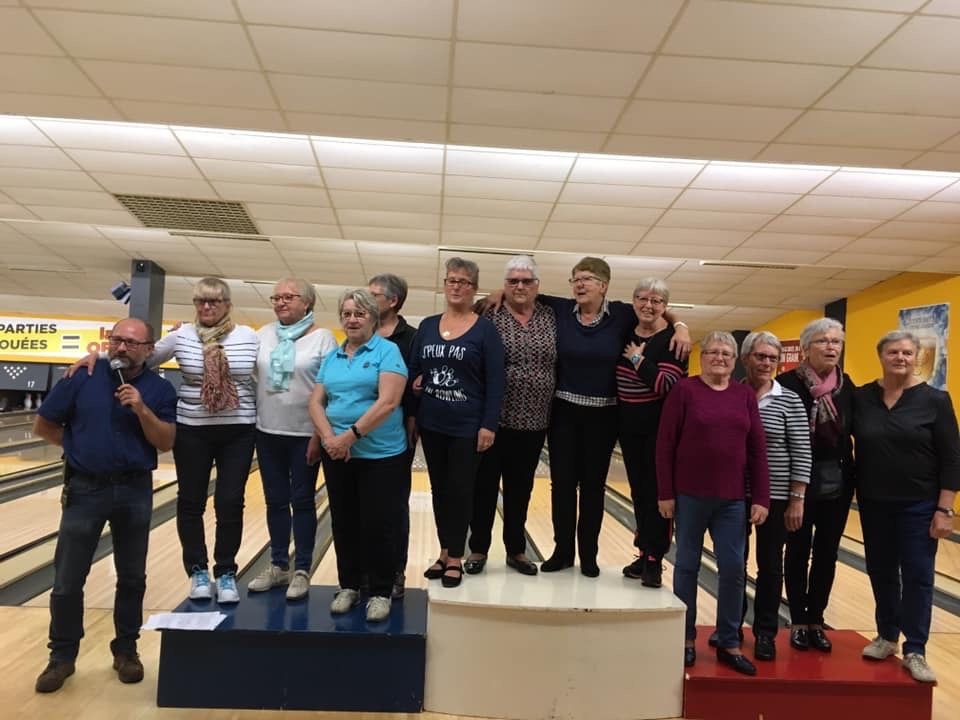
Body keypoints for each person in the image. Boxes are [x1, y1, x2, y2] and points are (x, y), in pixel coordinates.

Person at [70, 278, 259, 604]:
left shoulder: (249, 338)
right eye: (201, 301)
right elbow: (138, 358)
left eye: (214, 301)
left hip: (238, 430)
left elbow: (269, 374)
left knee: (230, 501)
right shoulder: (182, 336)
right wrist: (97, 358)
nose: (207, 307)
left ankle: (226, 571)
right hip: (191, 429)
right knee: (190, 502)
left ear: (228, 304)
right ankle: (198, 570)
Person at [33, 319, 177, 693]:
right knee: (67, 581)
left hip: (134, 491)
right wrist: (77, 447)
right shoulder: (81, 377)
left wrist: (141, 409)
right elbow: (43, 425)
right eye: (116, 340)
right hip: (85, 490)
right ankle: (61, 657)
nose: (121, 347)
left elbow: (165, 442)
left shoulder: (159, 389)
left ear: (148, 349)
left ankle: (126, 651)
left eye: (131, 342)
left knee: (132, 578)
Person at [529, 258, 690, 577]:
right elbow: (522, 293)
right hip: (564, 411)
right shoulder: (561, 309)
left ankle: (589, 555)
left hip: (604, 415)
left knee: (593, 487)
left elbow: (655, 306)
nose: (579, 284)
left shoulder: (621, 313)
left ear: (603, 285)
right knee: (562, 486)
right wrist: (492, 296)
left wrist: (681, 326)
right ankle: (562, 552)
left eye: (587, 279)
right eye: (575, 278)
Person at [657, 331, 769, 676]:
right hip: (690, 496)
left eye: (725, 353)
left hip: (732, 499)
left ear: (735, 361)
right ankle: (686, 638)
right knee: (687, 565)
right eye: (712, 352)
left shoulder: (743, 395)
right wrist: (666, 493)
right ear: (701, 357)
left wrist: (761, 497)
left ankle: (729, 641)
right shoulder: (685, 391)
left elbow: (757, 450)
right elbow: (665, 445)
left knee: (734, 569)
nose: (719, 357)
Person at [853, 330, 959, 683]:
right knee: (880, 571)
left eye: (907, 353)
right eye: (893, 352)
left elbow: (951, 459)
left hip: (919, 504)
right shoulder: (863, 397)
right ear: (881, 356)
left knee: (917, 575)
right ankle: (886, 635)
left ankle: (916, 648)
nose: (900, 357)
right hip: (873, 502)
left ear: (917, 358)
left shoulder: (935, 401)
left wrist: (945, 510)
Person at [309, 289, 408, 622]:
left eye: (359, 313)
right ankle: (349, 585)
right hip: (338, 454)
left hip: (380, 455)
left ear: (373, 317)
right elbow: (316, 402)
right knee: (344, 520)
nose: (352, 319)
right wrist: (329, 439)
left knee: (379, 523)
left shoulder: (388, 351)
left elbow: (388, 402)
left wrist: (349, 437)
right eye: (347, 313)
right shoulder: (333, 357)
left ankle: (380, 591)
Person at [408, 258, 506, 588]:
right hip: (432, 422)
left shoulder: (485, 329)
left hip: (467, 424)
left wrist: (488, 425)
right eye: (451, 280)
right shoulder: (427, 325)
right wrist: (417, 382)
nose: (456, 286)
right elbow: (414, 368)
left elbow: (495, 381)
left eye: (464, 282)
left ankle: (455, 558)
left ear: (474, 288)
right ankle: (444, 550)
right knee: (439, 490)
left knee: (461, 491)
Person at [466, 255, 557, 576]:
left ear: (537, 286)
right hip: (493, 420)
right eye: (512, 281)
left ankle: (516, 550)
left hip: (534, 422)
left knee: (521, 489)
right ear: (503, 286)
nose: (520, 286)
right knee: (484, 488)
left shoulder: (551, 314)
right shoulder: (487, 313)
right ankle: (478, 548)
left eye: (526, 281)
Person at [247, 279, 336, 600]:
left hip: (305, 434)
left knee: (301, 501)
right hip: (268, 431)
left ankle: (302, 570)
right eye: (276, 297)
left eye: (288, 297)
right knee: (275, 501)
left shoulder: (323, 339)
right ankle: (278, 566)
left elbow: (329, 389)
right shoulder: (263, 335)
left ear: (307, 303)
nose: (280, 302)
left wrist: (319, 433)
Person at [779, 317, 855, 653]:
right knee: (797, 550)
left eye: (836, 342)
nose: (831, 347)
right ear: (806, 347)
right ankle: (797, 620)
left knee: (827, 553)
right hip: (797, 481)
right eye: (823, 341)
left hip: (837, 482)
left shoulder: (848, 387)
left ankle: (816, 619)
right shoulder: (786, 385)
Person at [740, 331, 812, 661]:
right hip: (734, 493)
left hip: (777, 495)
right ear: (746, 359)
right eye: (760, 356)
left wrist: (797, 498)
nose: (767, 363)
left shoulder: (790, 399)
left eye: (772, 357)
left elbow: (801, 450)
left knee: (770, 566)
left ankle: (765, 632)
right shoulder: (731, 394)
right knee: (733, 563)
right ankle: (731, 625)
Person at [617, 278, 686, 588]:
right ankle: (644, 551)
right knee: (638, 492)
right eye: (642, 298)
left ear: (665, 306)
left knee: (659, 494)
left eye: (656, 301)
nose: (648, 305)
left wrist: (637, 359)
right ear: (633, 301)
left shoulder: (674, 342)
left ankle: (655, 559)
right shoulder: (625, 329)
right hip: (628, 425)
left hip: (658, 426)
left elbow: (666, 386)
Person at [369, 273, 418, 599]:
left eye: (373, 295)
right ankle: (362, 572)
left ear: (393, 301)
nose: (365, 300)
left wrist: (413, 421)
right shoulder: (358, 333)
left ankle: (394, 572)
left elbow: (415, 386)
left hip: (395, 435)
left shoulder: (412, 338)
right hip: (356, 435)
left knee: (393, 507)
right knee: (361, 506)